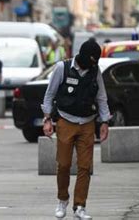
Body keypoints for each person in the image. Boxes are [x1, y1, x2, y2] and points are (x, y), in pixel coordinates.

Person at [41, 38, 110, 219]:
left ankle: (80, 206)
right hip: (65, 120)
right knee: (63, 165)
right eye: (90, 61)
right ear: (82, 56)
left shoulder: (95, 72)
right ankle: (62, 199)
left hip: (87, 123)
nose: (91, 65)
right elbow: (49, 95)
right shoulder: (62, 68)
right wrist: (47, 119)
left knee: (85, 167)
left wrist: (104, 122)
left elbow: (101, 98)